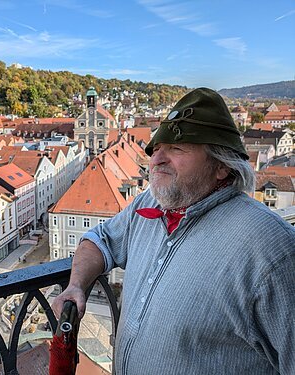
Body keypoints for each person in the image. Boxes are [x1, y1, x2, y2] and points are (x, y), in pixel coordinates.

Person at [51, 88, 295, 374]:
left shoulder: (272, 250)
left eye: (177, 148)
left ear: (221, 165)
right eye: (157, 148)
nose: (157, 159)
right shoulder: (149, 202)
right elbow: (100, 239)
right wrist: (77, 285)